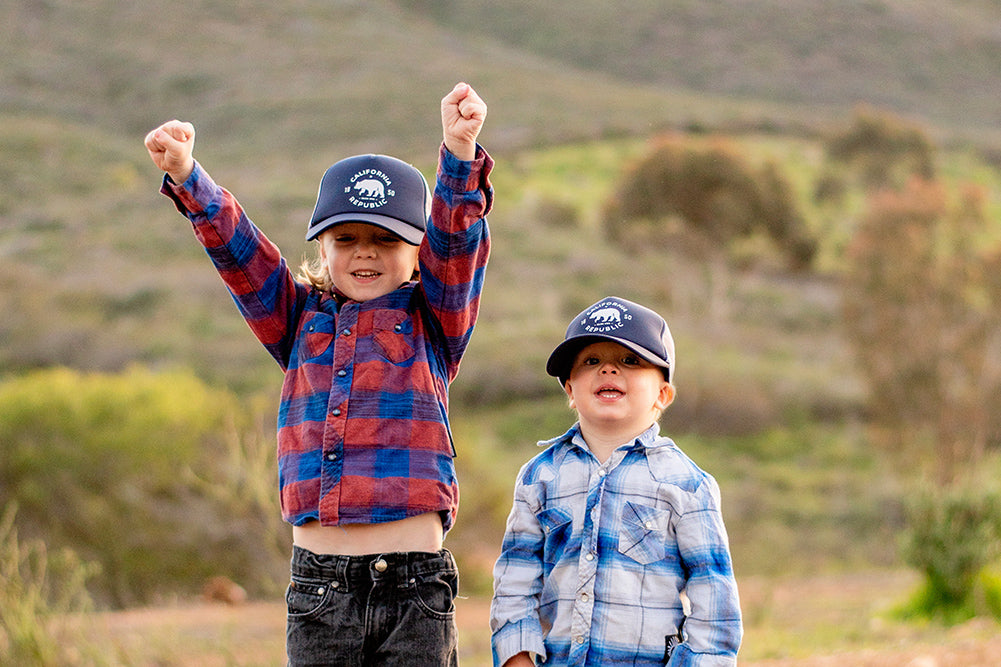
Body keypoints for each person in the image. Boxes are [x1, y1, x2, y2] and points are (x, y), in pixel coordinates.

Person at [144, 82, 492, 666]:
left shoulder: (435, 321)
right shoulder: (297, 318)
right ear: (323, 246)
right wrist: (187, 175)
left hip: (416, 589)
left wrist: (458, 153)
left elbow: (457, 245)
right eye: (346, 237)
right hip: (318, 589)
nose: (364, 253)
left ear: (416, 251)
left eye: (386, 240)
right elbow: (242, 255)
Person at [490, 296, 742, 666]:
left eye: (629, 361)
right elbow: (515, 581)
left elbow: (713, 598)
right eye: (591, 361)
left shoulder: (686, 484)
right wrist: (516, 657)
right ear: (570, 391)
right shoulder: (540, 477)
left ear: (663, 394)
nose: (608, 370)